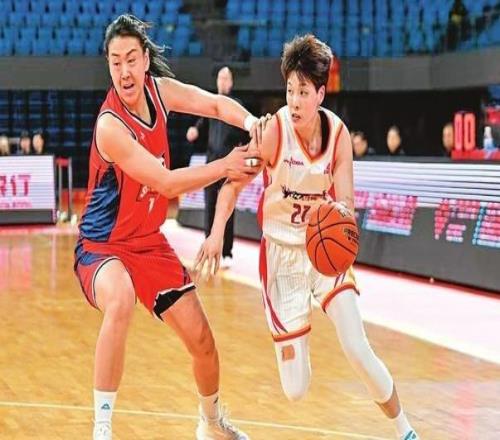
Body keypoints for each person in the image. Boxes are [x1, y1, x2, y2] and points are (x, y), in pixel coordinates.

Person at [194, 35, 419, 440]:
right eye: (289, 90)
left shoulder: (339, 136)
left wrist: (339, 225)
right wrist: (214, 235)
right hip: (281, 256)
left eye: (302, 92)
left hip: (323, 250)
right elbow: (231, 187)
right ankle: (296, 329)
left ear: (320, 94)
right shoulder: (272, 132)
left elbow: (346, 205)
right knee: (295, 389)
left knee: (357, 347)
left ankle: (406, 430)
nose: (294, 101)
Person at [74, 14, 267, 440]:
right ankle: (102, 429)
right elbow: (165, 183)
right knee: (120, 299)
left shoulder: (160, 93)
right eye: (115, 62)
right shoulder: (110, 126)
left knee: (203, 342)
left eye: (131, 59)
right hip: (102, 247)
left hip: (148, 244)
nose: (124, 71)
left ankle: (211, 423)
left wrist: (253, 124)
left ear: (145, 60)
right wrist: (225, 165)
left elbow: (215, 104)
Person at [186, 66, 249, 268]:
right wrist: (194, 130)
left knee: (227, 209)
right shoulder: (211, 105)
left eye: (226, 78)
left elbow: (246, 134)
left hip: (231, 166)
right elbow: (200, 124)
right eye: (220, 78)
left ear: (231, 82)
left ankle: (226, 251)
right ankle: (208, 248)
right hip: (211, 164)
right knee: (210, 207)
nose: (222, 81)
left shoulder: (237, 106)